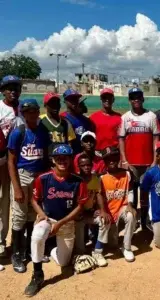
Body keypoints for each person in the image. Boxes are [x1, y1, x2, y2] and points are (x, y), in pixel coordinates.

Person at [24, 144, 88, 296]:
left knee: (63, 263)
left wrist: (60, 224)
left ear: (70, 160)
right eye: (58, 158)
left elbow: (80, 206)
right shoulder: (43, 178)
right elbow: (34, 199)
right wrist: (41, 213)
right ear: (53, 160)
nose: (62, 161)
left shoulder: (78, 181)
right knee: (38, 234)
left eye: (65, 158)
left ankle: (50, 248)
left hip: (66, 223)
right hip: (49, 219)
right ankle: (38, 274)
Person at [8, 99, 50, 273]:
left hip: (38, 176)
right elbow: (11, 161)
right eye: (28, 111)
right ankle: (17, 253)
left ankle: (31, 250)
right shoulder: (19, 132)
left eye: (34, 111)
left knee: (33, 215)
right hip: (22, 175)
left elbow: (46, 156)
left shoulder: (43, 131)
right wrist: (16, 187)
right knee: (19, 215)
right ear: (23, 114)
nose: (32, 114)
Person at [119, 87, 160, 209]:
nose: (135, 100)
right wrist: (124, 160)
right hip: (131, 163)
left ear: (143, 99)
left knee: (146, 190)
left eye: (138, 97)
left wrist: (154, 160)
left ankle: (145, 219)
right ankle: (134, 215)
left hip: (148, 163)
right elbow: (121, 139)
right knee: (132, 190)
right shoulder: (125, 117)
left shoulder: (151, 116)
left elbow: (156, 139)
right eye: (132, 98)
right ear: (129, 100)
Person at [96, 146, 137, 262]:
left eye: (114, 157)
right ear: (104, 161)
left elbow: (130, 190)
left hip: (121, 210)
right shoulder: (101, 177)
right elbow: (98, 196)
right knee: (112, 245)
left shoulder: (127, 174)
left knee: (130, 214)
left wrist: (130, 203)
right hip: (109, 214)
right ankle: (102, 247)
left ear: (118, 158)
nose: (111, 161)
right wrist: (102, 211)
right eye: (108, 159)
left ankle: (127, 247)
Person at [0, 75, 24, 257]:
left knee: (18, 201)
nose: (13, 91)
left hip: (20, 162)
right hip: (1, 161)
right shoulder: (0, 108)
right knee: (2, 202)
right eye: (9, 87)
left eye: (16, 87)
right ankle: (0, 243)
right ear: (2, 91)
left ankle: (18, 241)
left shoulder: (24, 108)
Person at [74, 154, 109, 267]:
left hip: (91, 212)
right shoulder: (75, 180)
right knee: (78, 227)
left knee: (104, 220)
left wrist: (102, 210)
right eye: (83, 165)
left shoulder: (95, 179)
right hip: (79, 215)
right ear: (78, 166)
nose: (86, 167)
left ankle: (98, 252)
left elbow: (98, 194)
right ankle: (80, 253)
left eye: (88, 165)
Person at [61, 89, 93, 154]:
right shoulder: (62, 118)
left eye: (76, 98)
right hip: (68, 155)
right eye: (71, 99)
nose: (74, 101)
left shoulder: (85, 120)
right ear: (65, 101)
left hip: (83, 156)